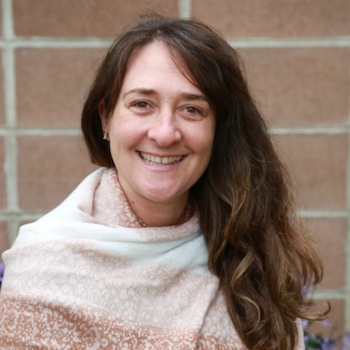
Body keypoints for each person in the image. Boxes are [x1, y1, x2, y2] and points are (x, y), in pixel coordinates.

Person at [0, 16, 327, 349]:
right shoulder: (43, 274)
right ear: (106, 117)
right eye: (142, 104)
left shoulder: (248, 256)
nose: (165, 133)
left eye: (191, 109)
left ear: (218, 129)